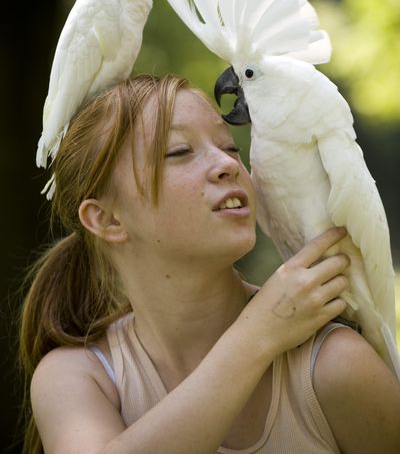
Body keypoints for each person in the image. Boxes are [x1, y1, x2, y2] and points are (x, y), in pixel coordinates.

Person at [20, 74, 400, 454]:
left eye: (231, 147)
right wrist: (257, 336)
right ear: (108, 220)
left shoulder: (334, 367)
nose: (227, 164)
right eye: (180, 152)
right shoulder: (80, 377)